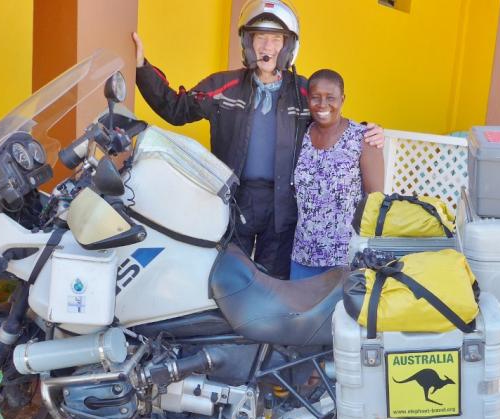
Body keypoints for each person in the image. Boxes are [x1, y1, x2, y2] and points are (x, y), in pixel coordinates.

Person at [132, 0, 383, 279]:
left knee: (273, 284)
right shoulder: (224, 86)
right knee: (228, 279)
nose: (266, 47)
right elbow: (176, 109)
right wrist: (142, 67)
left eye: (275, 39)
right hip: (234, 202)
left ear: (288, 45)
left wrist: (367, 132)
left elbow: (330, 116)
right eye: (259, 37)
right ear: (247, 42)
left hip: (283, 205)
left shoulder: (303, 91)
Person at [290, 70, 384, 280]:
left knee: (338, 314)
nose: (323, 104)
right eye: (316, 97)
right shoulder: (299, 135)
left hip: (345, 260)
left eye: (330, 97)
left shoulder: (363, 138)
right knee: (298, 312)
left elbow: (375, 200)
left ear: (342, 99)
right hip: (302, 255)